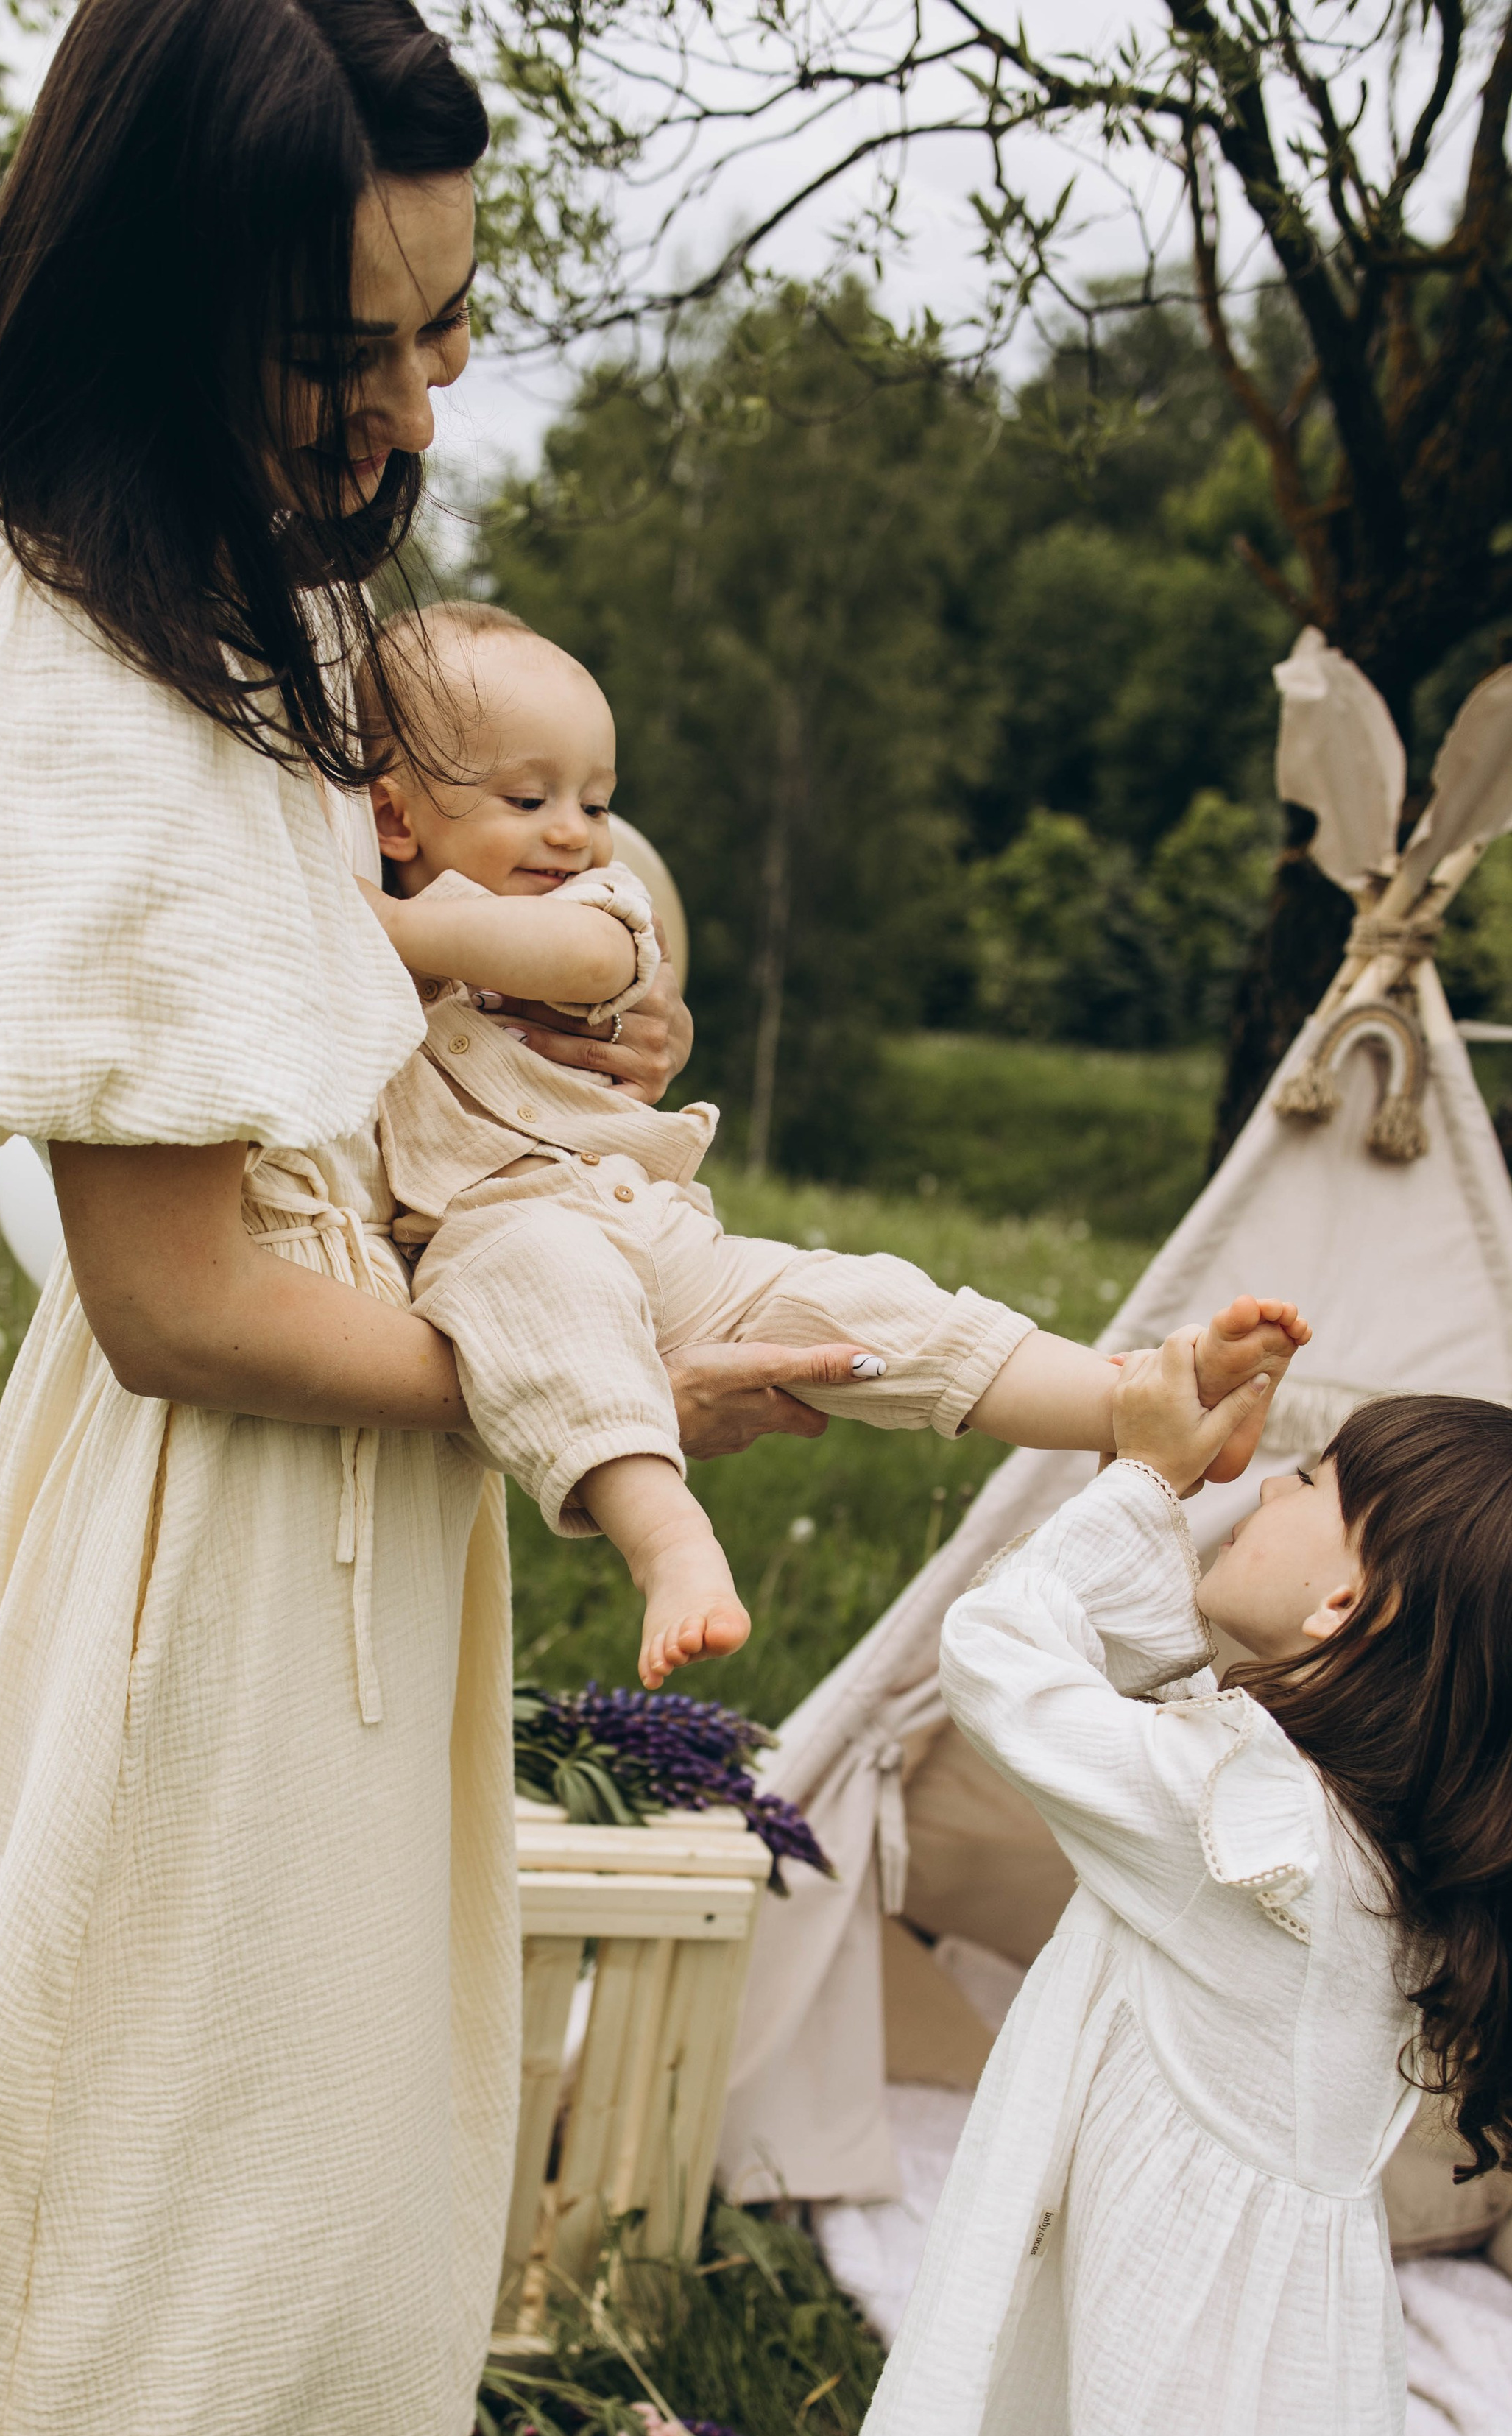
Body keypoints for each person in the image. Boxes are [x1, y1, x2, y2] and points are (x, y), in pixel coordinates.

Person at [0, 8, 866, 2436]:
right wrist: (618, 1382)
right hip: (218, 1526)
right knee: (122, 2115)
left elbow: (443, 946)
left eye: (452, 328)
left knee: (246, 2133)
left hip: (338, 1498)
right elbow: (186, 1304)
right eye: (356, 342)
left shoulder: (260, 594)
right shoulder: (97, 668)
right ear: (156, 310)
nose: (420, 397)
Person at [775, 1346, 1512, 2436]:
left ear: (1340, 1608)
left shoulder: (1241, 1833)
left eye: (1310, 1483)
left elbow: (1001, 1657)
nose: (1273, 1483)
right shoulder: (1346, 1841)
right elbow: (1140, 1668)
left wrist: (1141, 1478)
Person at [356, 600, 1310, 1685]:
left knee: (872, 1303)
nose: (574, 829)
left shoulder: (591, 905)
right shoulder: (355, 965)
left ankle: (1134, 1401)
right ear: (394, 820)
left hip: (654, 1225)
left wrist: (380, 925)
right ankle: (670, 1546)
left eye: (596, 800)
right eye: (528, 799)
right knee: (556, 1325)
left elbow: (587, 961)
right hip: (500, 1239)